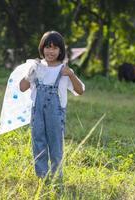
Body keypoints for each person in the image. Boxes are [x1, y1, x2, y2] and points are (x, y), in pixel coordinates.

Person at [19, 31, 85, 182]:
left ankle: (56, 177)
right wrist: (29, 74)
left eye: (55, 48)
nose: (51, 51)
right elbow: (22, 87)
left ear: (61, 50)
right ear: (42, 48)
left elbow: (80, 90)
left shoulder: (64, 70)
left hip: (55, 114)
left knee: (55, 144)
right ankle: (42, 177)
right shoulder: (36, 67)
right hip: (37, 113)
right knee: (38, 142)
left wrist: (71, 75)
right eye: (48, 47)